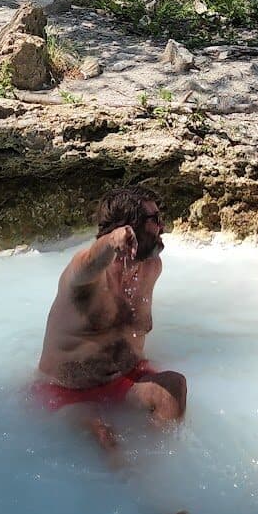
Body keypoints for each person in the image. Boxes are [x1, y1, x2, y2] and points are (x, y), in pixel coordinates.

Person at [33, 185, 187, 451]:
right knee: (105, 439)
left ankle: (159, 463)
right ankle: (124, 484)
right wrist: (111, 241)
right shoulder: (85, 277)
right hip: (68, 392)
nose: (162, 226)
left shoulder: (150, 267)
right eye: (154, 220)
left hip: (123, 379)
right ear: (127, 228)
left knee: (174, 388)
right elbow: (91, 260)